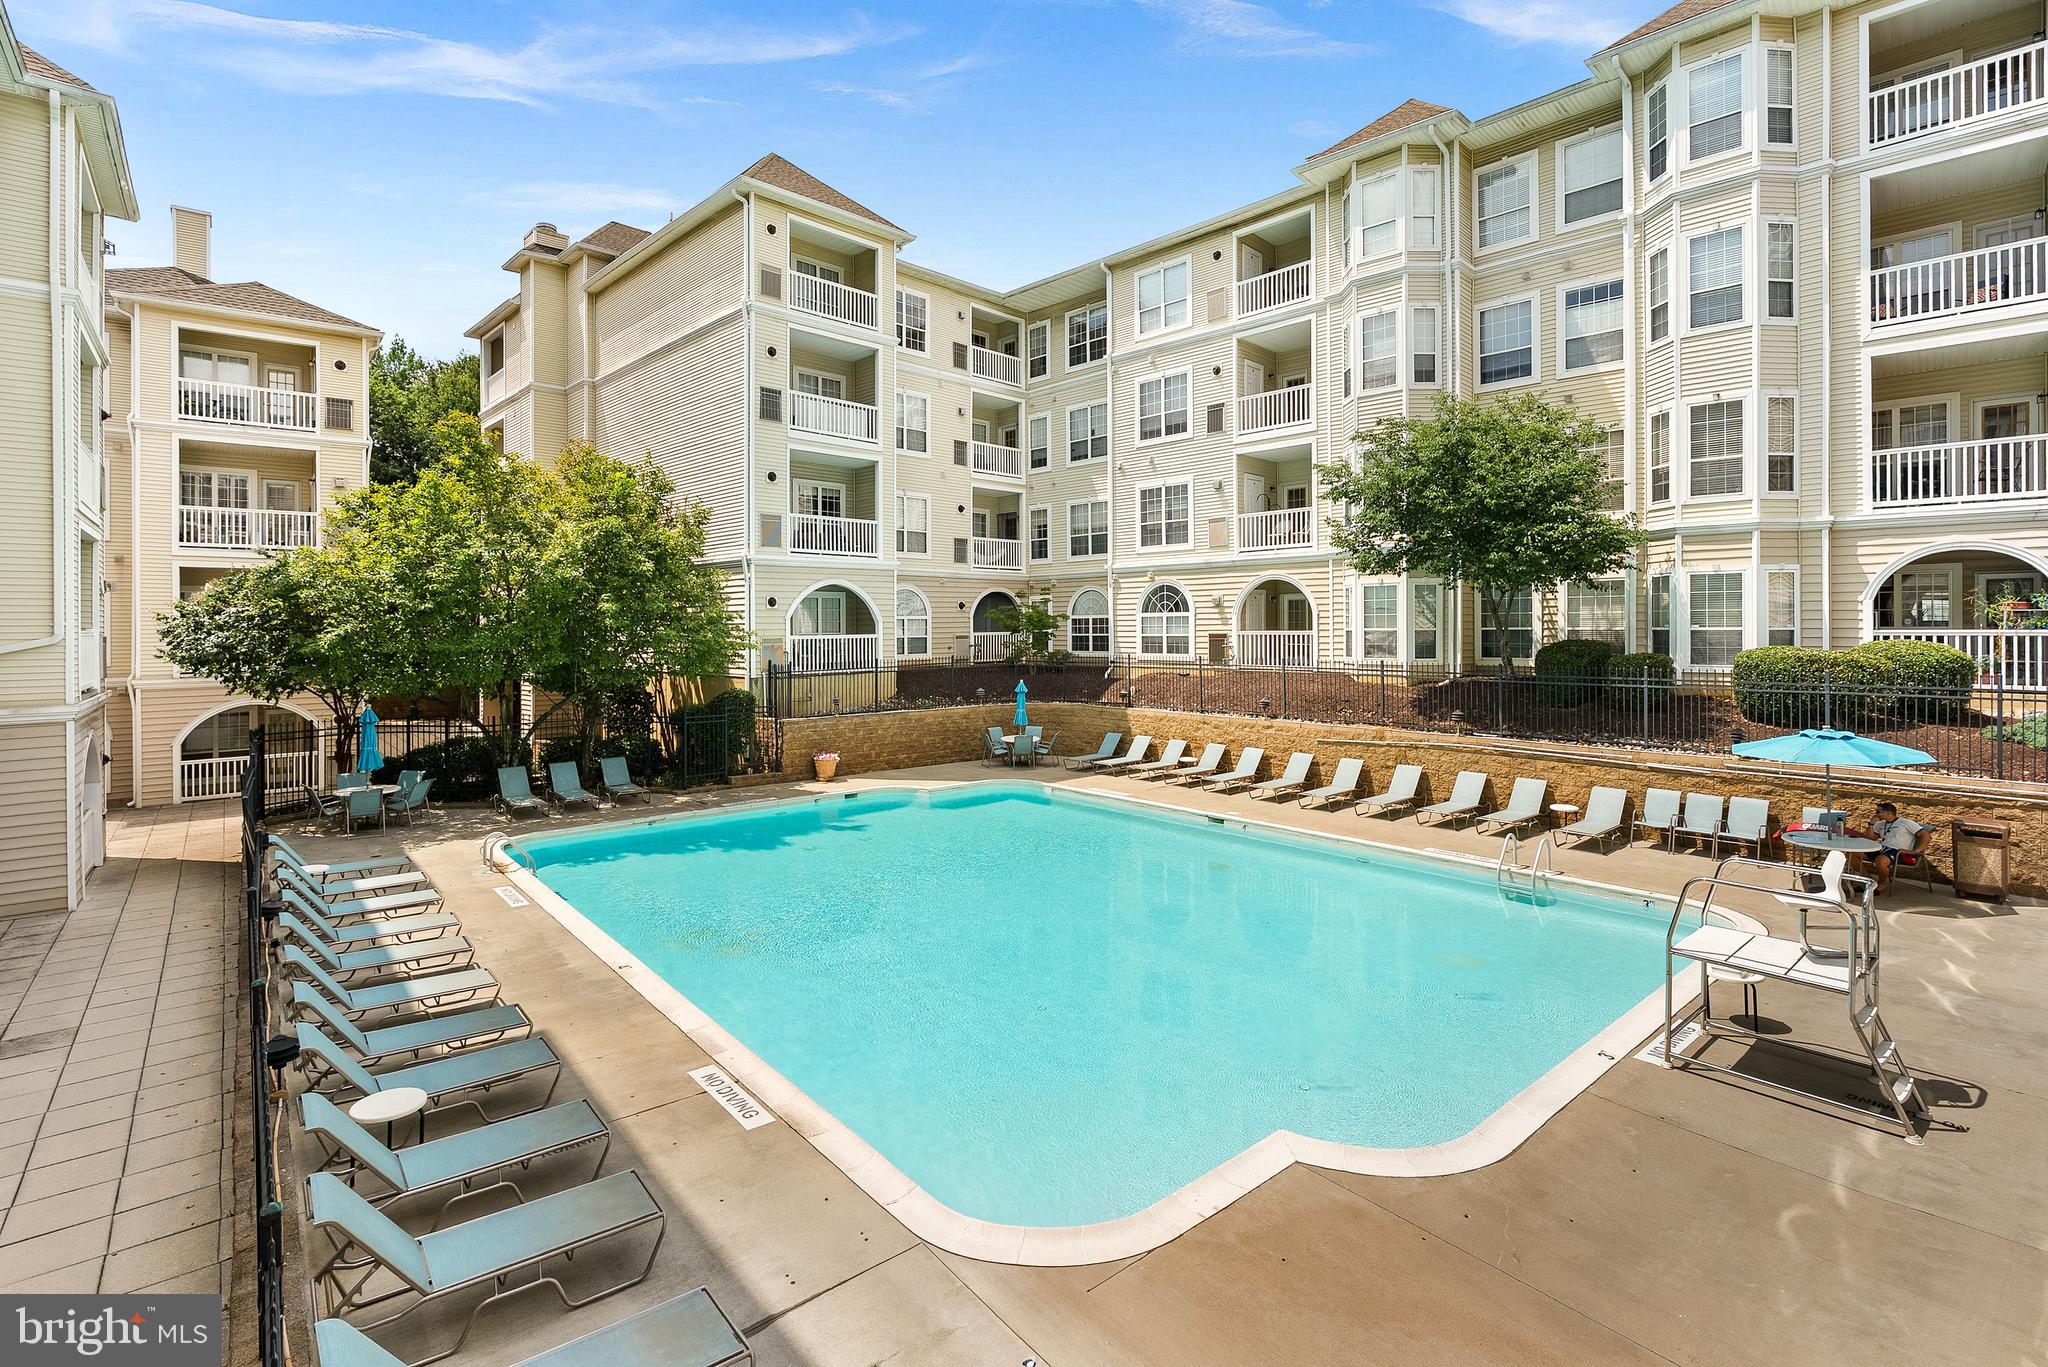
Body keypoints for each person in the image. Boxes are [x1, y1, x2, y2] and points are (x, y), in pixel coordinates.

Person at [1854, 801, 1929, 894]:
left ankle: (1881, 885)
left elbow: (1926, 836)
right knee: (1850, 854)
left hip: (1898, 852)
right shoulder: (1880, 824)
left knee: (1880, 860)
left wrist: (1915, 851)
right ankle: (1869, 880)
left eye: (1878, 812)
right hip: (1881, 849)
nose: (1876, 814)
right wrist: (1871, 825)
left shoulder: (1905, 823)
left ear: (1888, 813)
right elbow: (1870, 838)